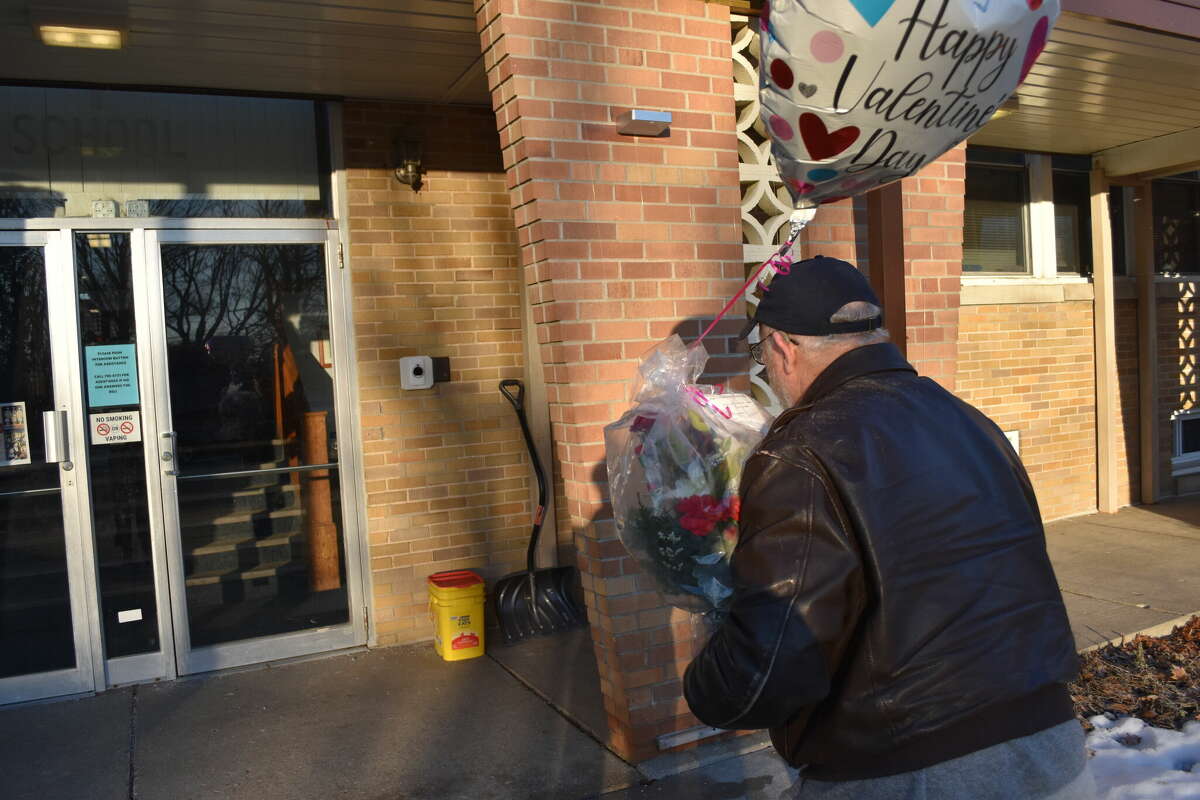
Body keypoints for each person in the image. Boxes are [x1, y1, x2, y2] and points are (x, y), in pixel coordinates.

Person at [683, 255, 1094, 799]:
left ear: (782, 346)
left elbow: (773, 662)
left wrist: (707, 678)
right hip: (1055, 752)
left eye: (762, 355)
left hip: (914, 773)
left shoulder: (801, 451)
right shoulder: (971, 421)